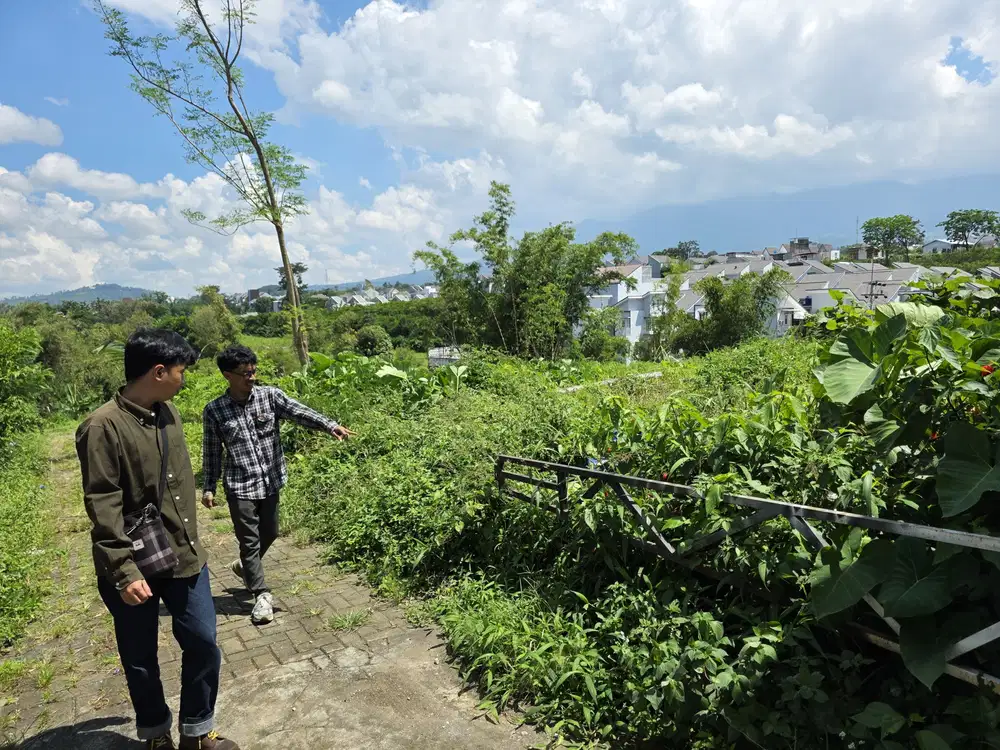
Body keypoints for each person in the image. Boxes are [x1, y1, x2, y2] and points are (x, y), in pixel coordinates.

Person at [76, 329, 239, 750]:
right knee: (141, 657)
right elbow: (103, 503)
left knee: (204, 643)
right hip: (134, 563)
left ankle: (197, 732)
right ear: (159, 371)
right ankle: (155, 735)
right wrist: (123, 570)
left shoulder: (168, 412)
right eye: (181, 371)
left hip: (184, 555)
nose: (184, 380)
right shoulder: (101, 427)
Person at [201, 344, 352, 625]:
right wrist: (209, 486)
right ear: (227, 375)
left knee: (270, 531)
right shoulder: (215, 411)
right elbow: (211, 452)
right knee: (249, 540)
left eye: (253, 371)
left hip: (270, 481)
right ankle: (261, 594)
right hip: (240, 485)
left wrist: (330, 425)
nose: (251, 377)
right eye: (245, 373)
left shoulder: (270, 397)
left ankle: (245, 567)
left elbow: (300, 412)